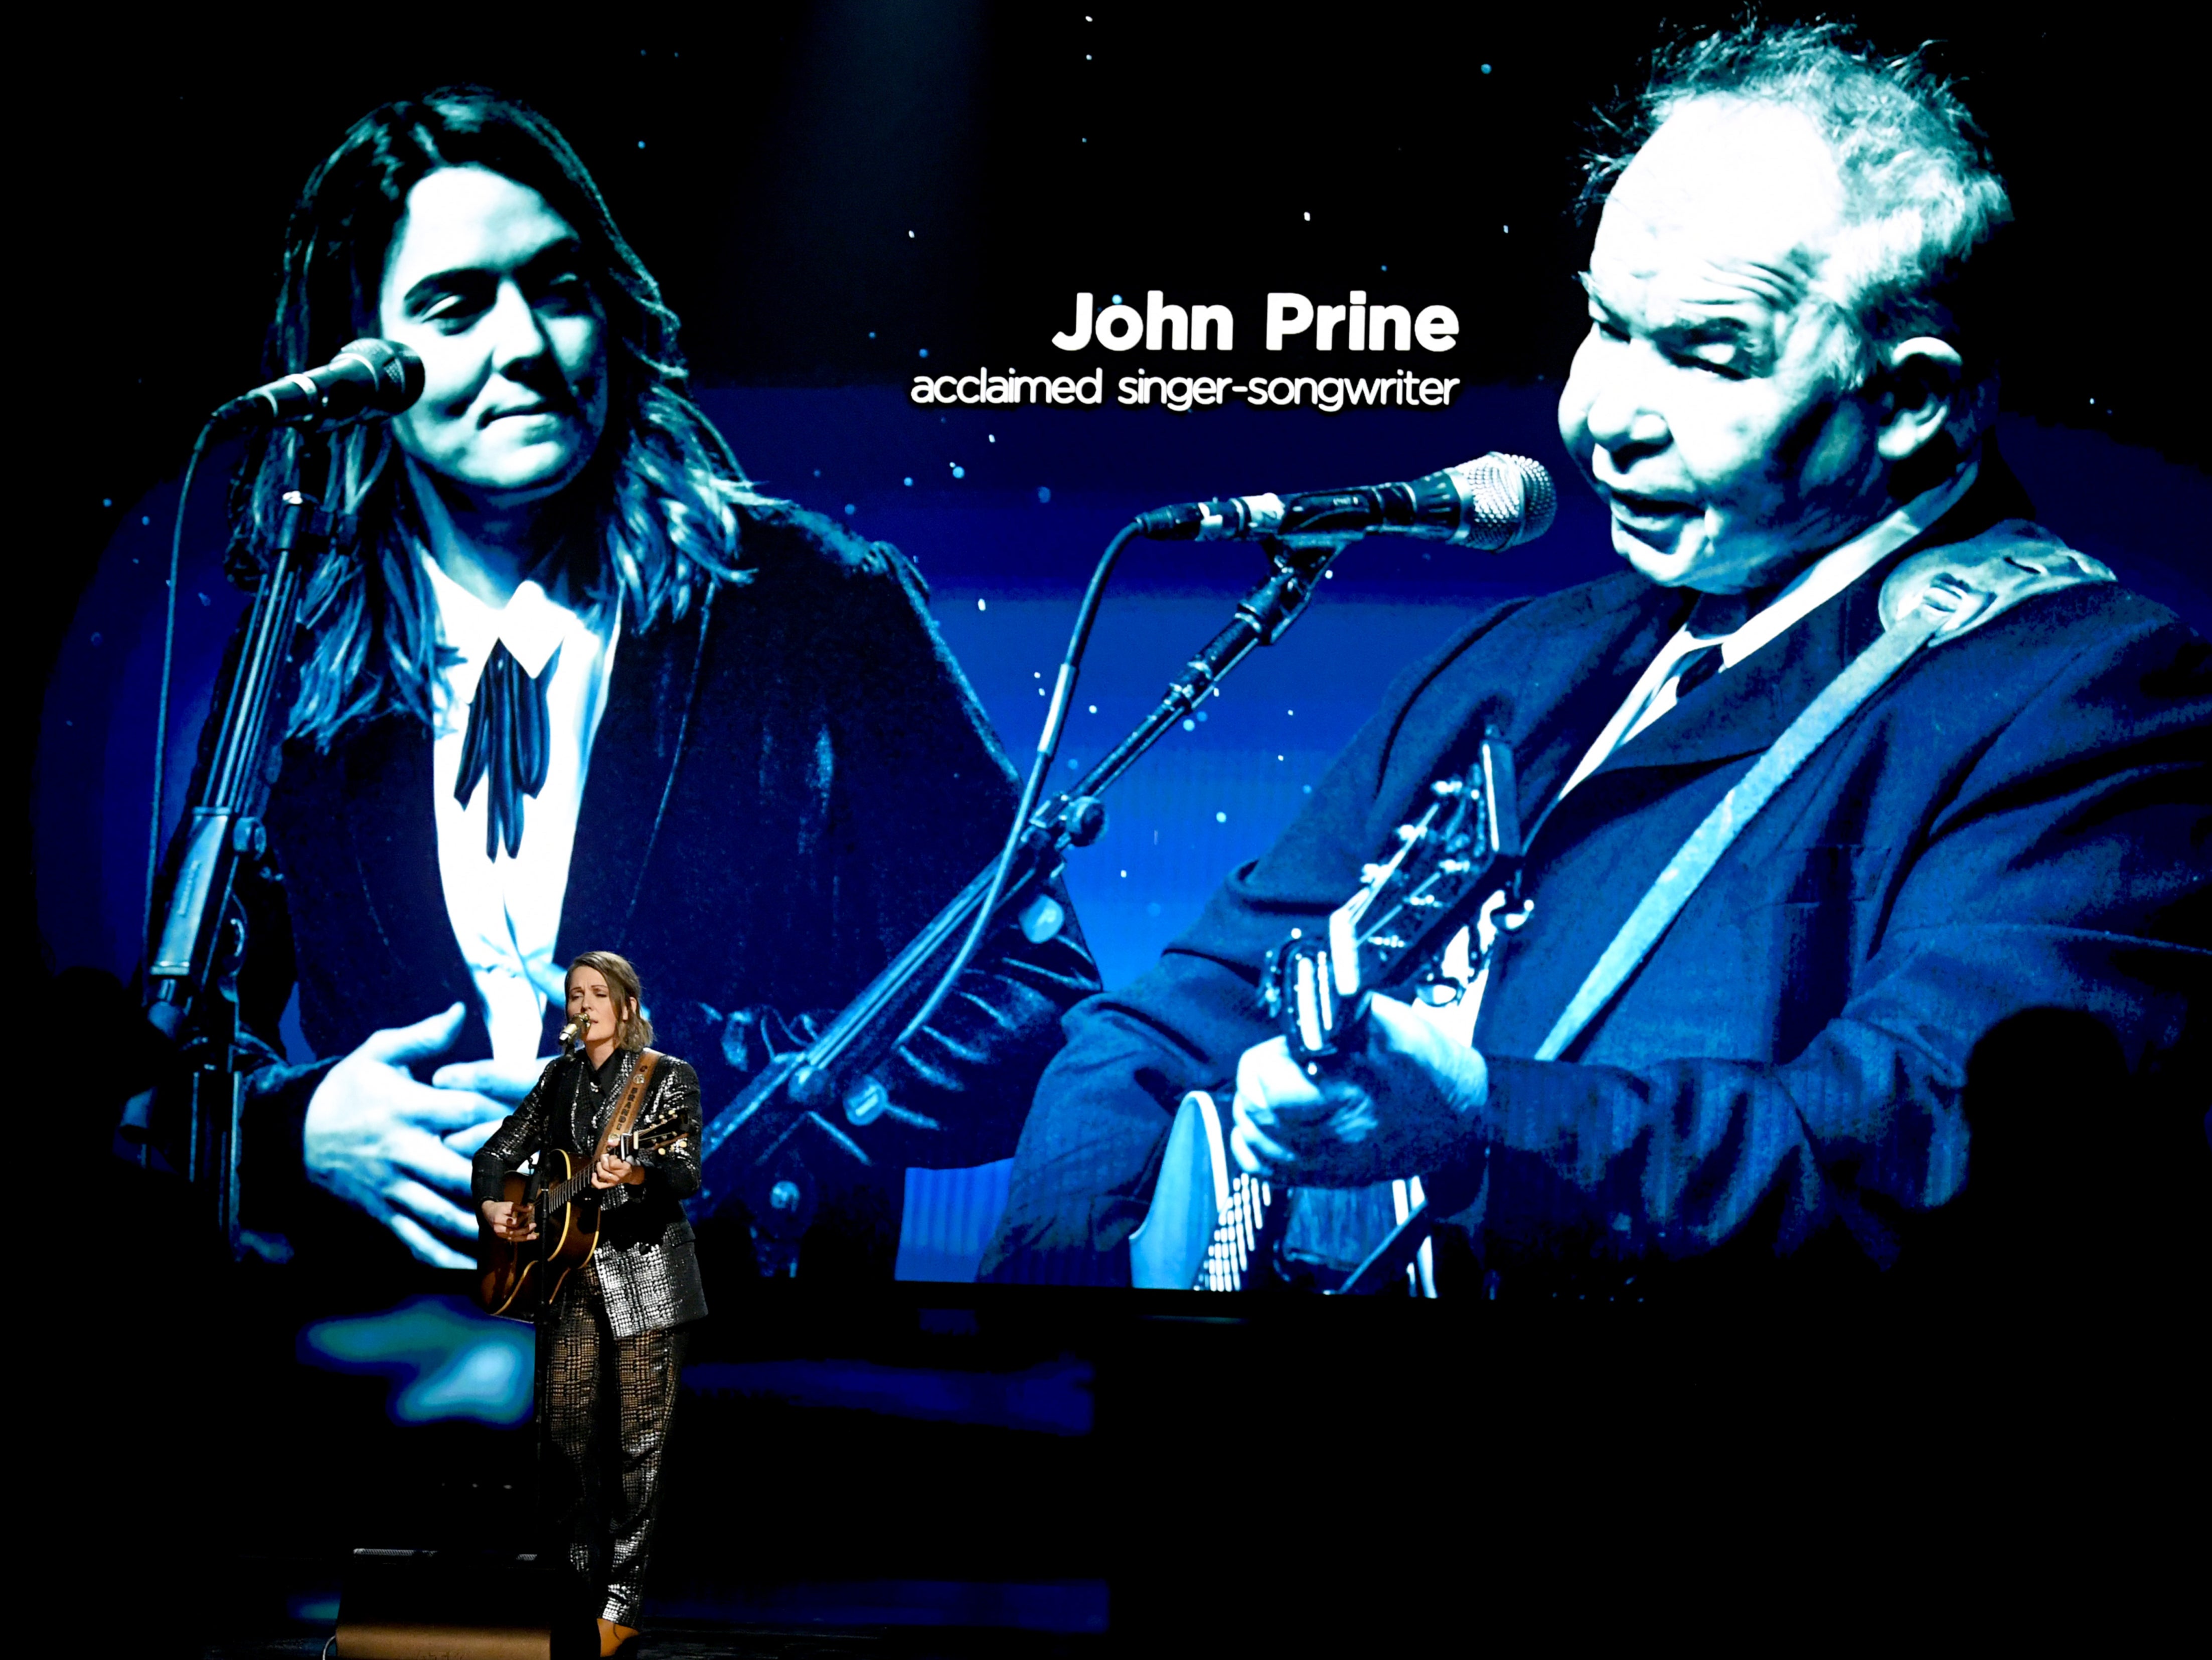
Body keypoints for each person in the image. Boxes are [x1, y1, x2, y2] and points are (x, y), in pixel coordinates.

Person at [981, 22, 2208, 1295]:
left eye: (1703, 352)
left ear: (1909, 399)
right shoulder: (1528, 662)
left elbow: (1927, 1150)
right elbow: (1153, 1031)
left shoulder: (2101, 700)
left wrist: (1480, 1130)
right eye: (1605, 325)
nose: (1598, 416)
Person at [194, 87, 1096, 1278]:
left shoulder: (814, 603)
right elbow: (169, 1054)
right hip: (408, 1377)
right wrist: (293, 1129)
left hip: (749, 1370)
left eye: (558, 287)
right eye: (456, 306)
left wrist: (699, 1099)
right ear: (362, 365)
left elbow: (1037, 997)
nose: (528, 343)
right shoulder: (298, 662)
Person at [477, 951, 699, 1656]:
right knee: (564, 1444)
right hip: (568, 1280)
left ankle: (622, 1604)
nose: (584, 1004)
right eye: (575, 993)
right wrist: (495, 1206)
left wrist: (636, 1167)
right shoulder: (559, 1077)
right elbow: (495, 1153)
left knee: (641, 1448)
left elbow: (685, 1169)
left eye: (599, 993)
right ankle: (569, 1594)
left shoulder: (667, 1078)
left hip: (647, 1279)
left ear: (628, 1005)